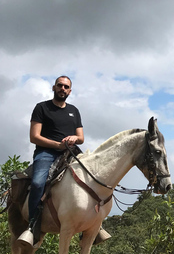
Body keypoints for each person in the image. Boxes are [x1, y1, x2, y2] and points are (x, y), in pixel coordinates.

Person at [18, 76, 109, 246]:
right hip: (46, 153)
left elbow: (81, 138)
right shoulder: (42, 108)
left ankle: (97, 226)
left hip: (71, 152)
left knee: (94, 177)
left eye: (66, 86)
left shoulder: (74, 110)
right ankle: (33, 226)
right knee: (38, 183)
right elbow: (34, 136)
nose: (63, 88)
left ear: (70, 91)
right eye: (60, 85)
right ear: (54, 87)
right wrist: (57, 145)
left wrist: (75, 138)